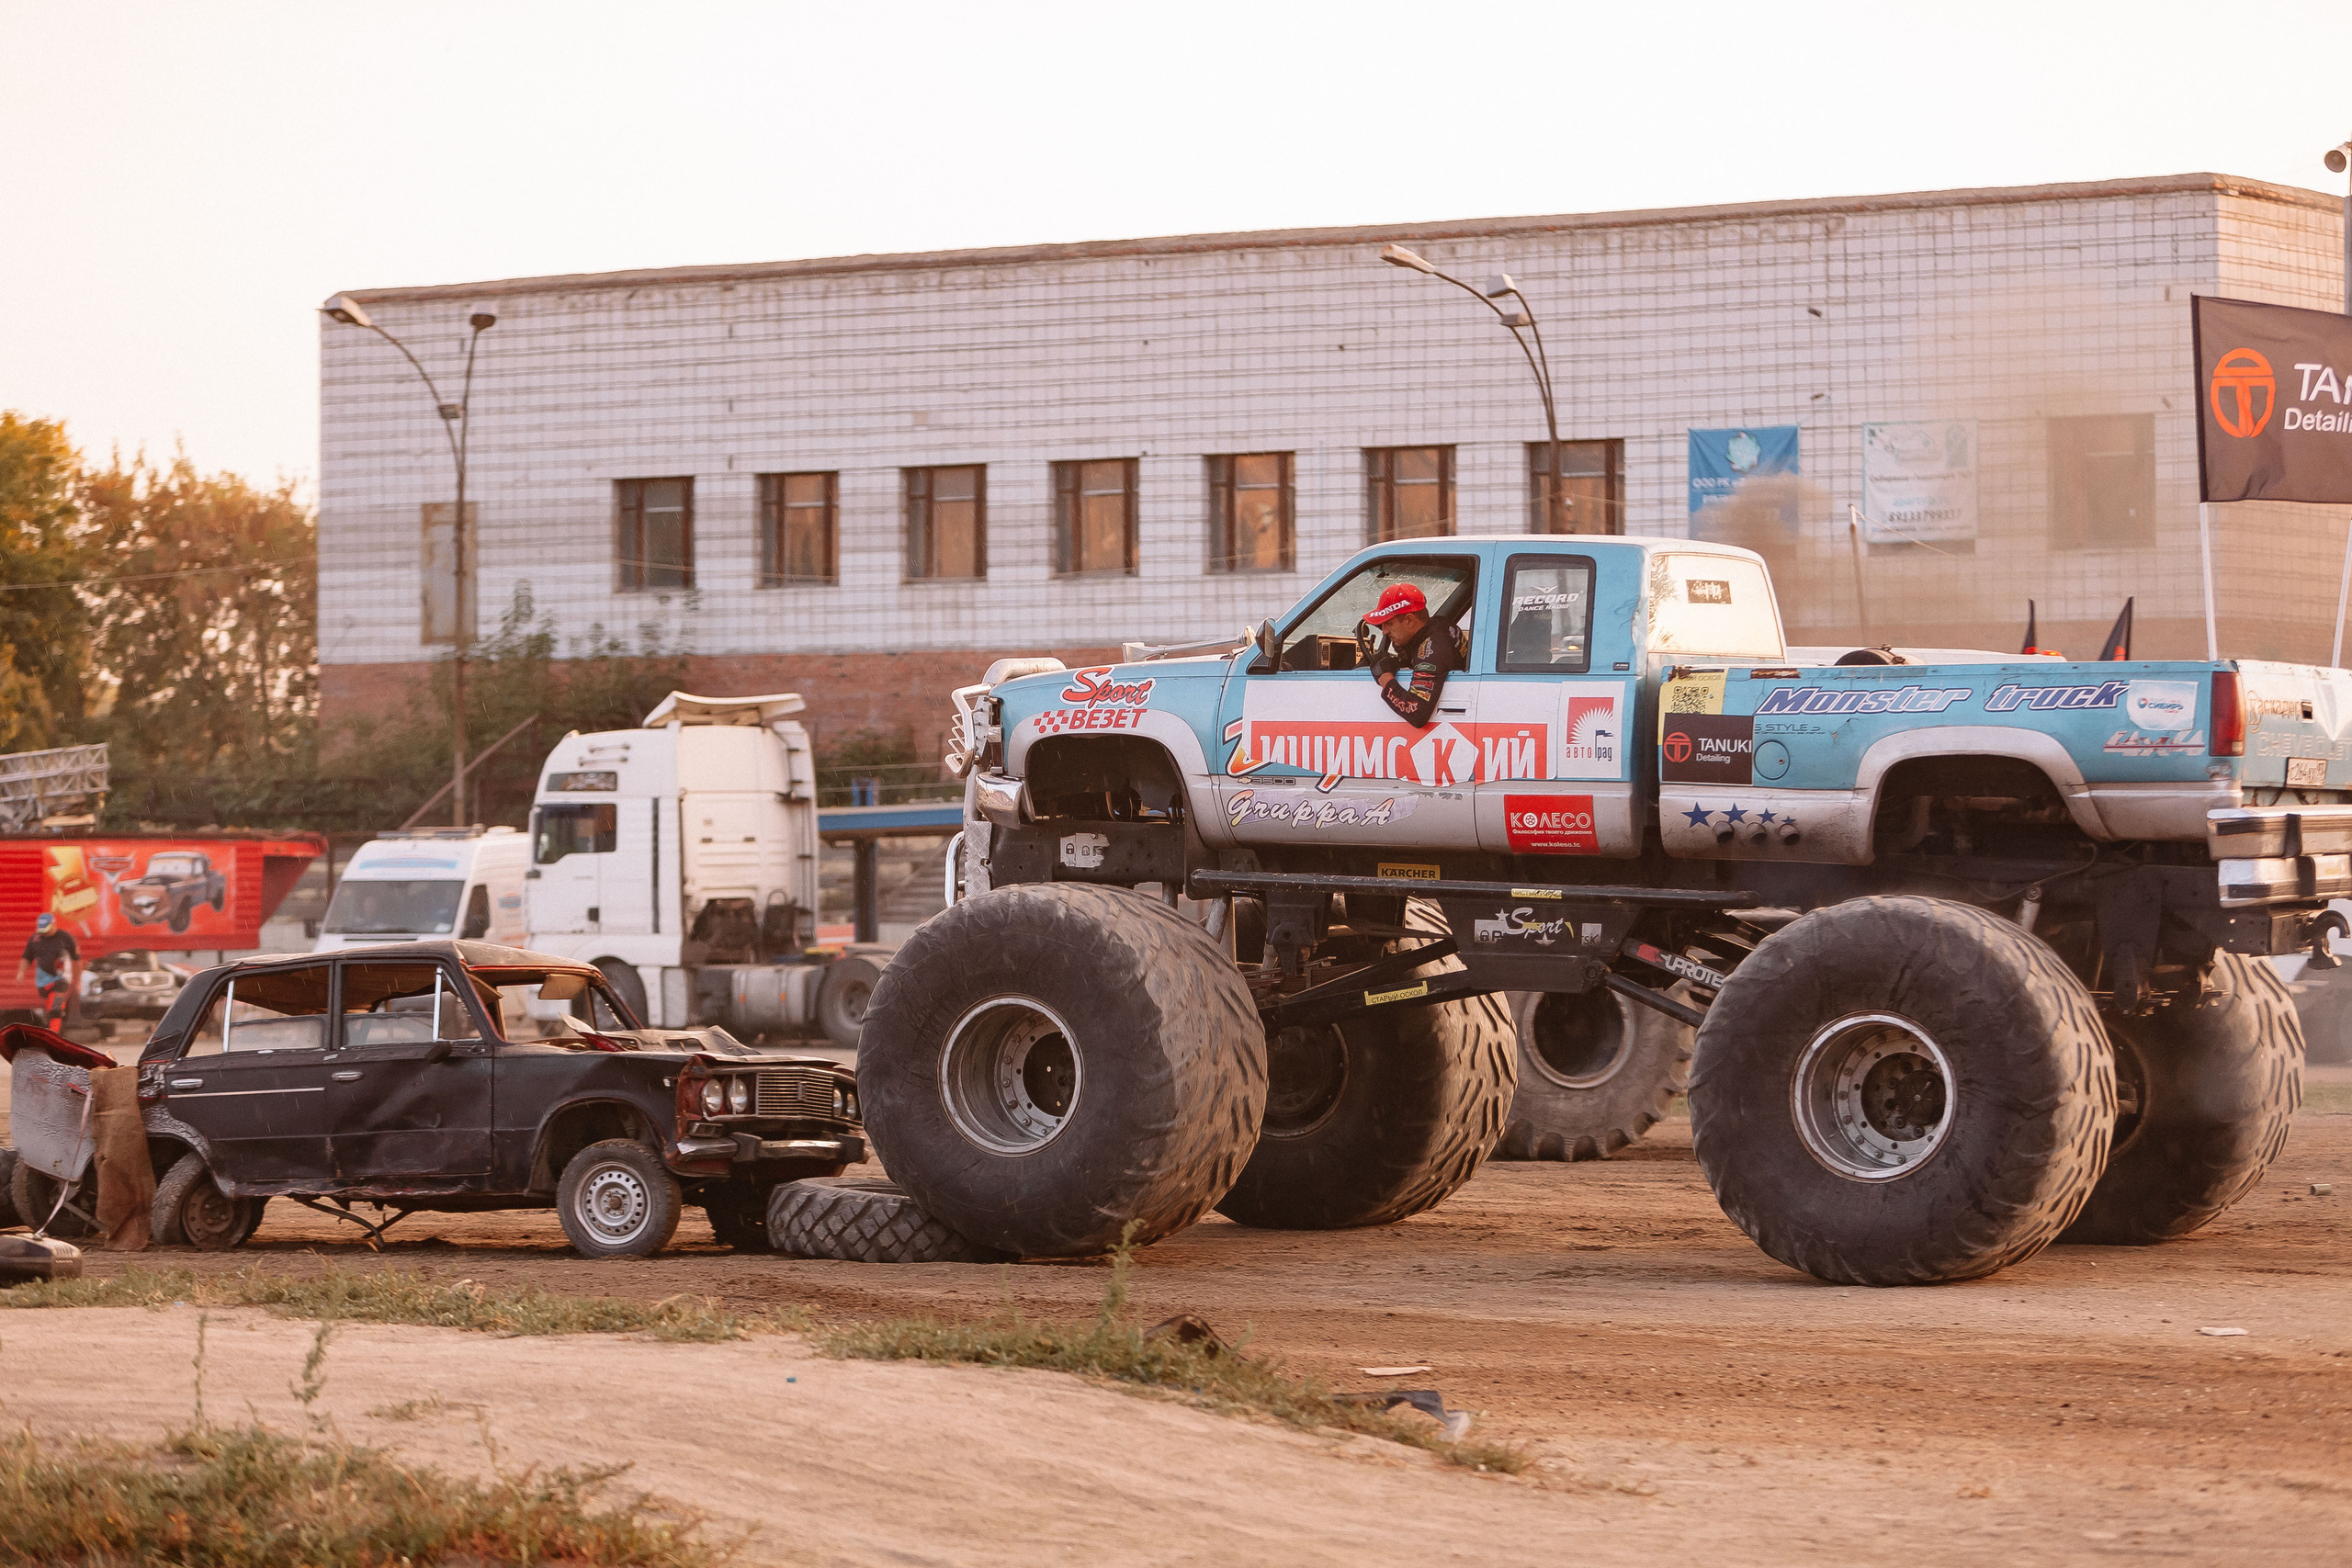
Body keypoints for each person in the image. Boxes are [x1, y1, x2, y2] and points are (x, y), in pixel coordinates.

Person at [1360, 581, 1466, 729]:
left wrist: (1385, 679)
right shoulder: (1440, 625)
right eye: (1381, 625)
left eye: (1388, 623)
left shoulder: (1433, 649)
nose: (1383, 631)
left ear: (1409, 620)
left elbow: (1417, 713)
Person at [16, 912, 80, 1031]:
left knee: (56, 1007)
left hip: (61, 978)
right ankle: (51, 1032)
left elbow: (76, 960)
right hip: (43, 981)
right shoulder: (35, 939)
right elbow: (27, 957)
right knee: (48, 1011)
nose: (44, 933)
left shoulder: (66, 938)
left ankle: (54, 1034)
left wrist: (77, 980)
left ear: (53, 925)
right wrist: (21, 972)